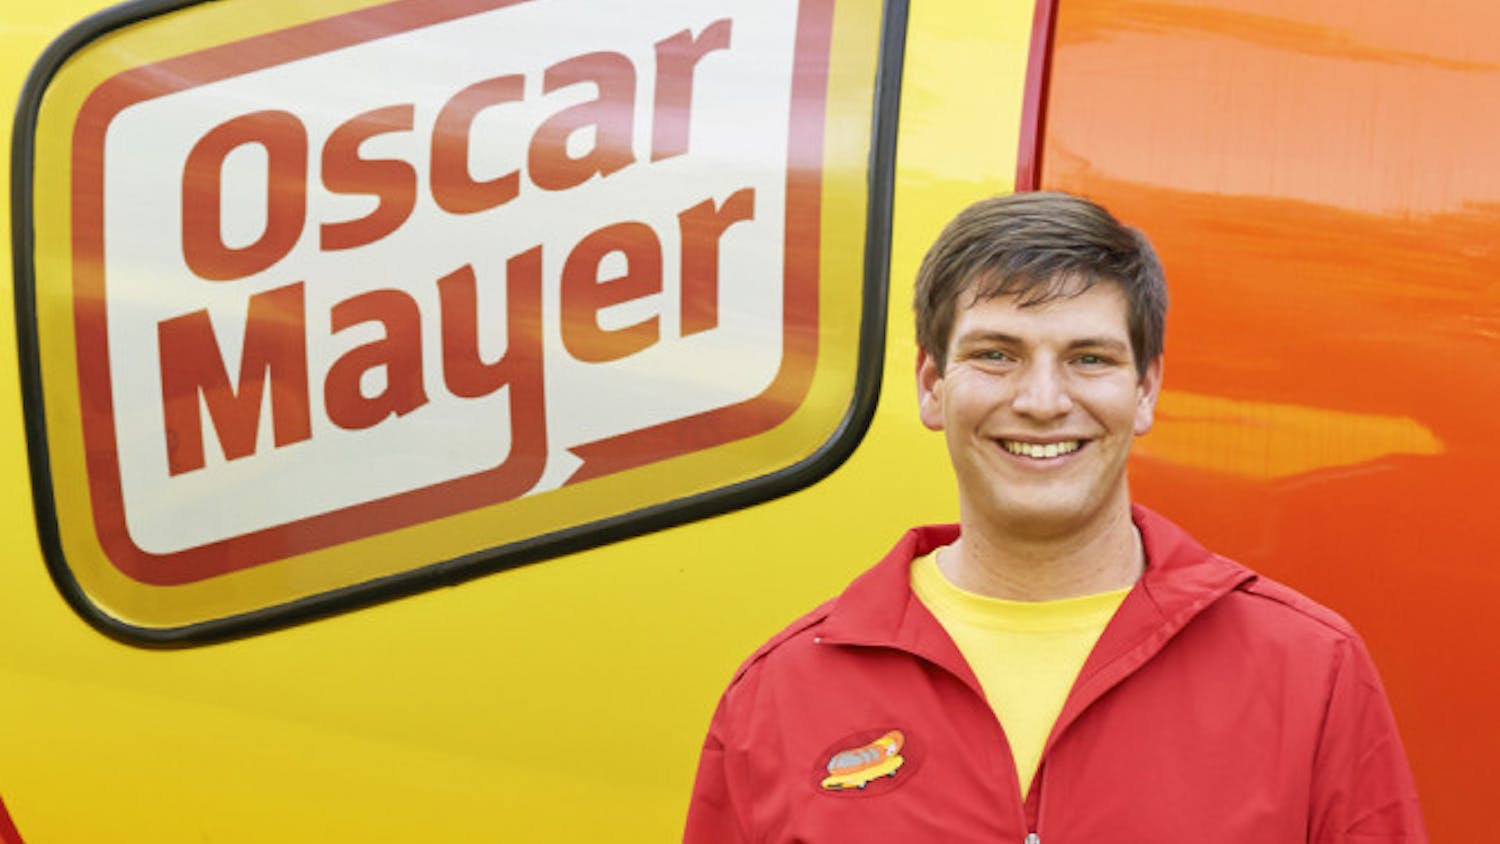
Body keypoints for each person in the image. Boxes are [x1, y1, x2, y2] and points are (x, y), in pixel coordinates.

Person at [682, 192, 1427, 843]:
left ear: (1145, 391)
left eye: (1090, 359)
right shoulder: (780, 697)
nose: (1042, 401)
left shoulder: (1307, 669)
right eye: (997, 355)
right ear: (933, 386)